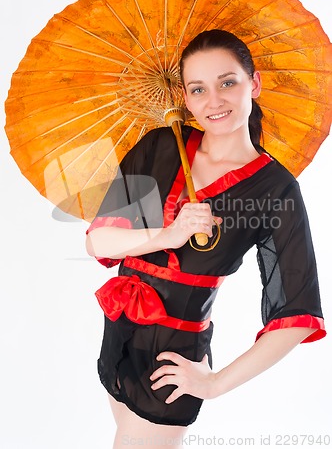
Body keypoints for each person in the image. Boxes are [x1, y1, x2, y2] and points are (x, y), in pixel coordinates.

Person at [86, 29, 326, 448]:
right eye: (198, 89)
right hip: (117, 334)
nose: (213, 101)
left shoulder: (276, 190)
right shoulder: (160, 146)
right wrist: (171, 233)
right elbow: (99, 243)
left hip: (171, 360)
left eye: (227, 82)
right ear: (186, 97)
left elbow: (297, 315)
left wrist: (215, 384)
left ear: (254, 83)